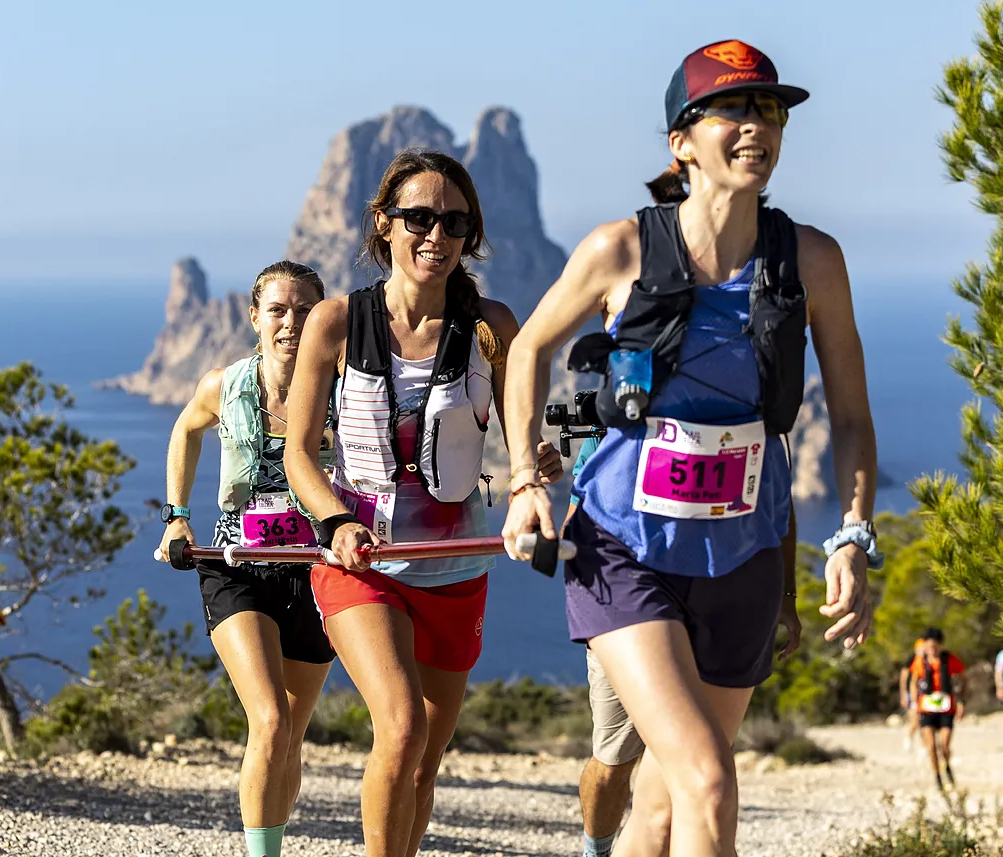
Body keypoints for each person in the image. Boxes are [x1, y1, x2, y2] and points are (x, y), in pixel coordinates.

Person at [501, 39, 881, 857]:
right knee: (710, 779)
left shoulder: (811, 260)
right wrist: (526, 480)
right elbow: (527, 350)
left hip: (742, 555)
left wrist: (850, 532)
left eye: (770, 110)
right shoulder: (621, 251)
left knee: (668, 805)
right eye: (735, 110)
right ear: (682, 141)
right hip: (623, 548)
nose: (758, 126)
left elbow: (849, 414)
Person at [283, 149, 562, 857]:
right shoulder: (336, 323)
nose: (436, 235)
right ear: (384, 225)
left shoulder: (493, 326)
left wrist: (538, 463)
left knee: (424, 759)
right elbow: (299, 454)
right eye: (419, 218)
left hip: (455, 565)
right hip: (360, 562)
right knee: (401, 726)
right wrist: (336, 520)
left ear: (470, 236)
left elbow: (527, 430)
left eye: (456, 223)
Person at [157, 261, 336, 857]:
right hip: (236, 566)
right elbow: (185, 431)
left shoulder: (344, 386)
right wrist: (174, 513)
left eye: (305, 310)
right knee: (271, 721)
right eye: (278, 310)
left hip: (318, 573)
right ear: (254, 318)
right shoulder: (223, 385)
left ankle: (273, 841)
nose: (291, 323)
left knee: (293, 732)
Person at [565, 435, 802, 857]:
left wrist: (787, 596)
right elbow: (578, 514)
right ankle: (595, 850)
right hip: (631, 604)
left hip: (724, 594)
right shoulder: (616, 424)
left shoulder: (753, 402)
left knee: (691, 793)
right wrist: (525, 478)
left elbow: (777, 503)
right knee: (616, 764)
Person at [909, 627, 965, 790]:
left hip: (946, 708)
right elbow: (913, 682)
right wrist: (914, 704)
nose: (932, 650)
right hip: (926, 709)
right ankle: (937, 775)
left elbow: (963, 678)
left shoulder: (949, 660)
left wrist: (961, 701)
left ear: (940, 646)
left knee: (945, 745)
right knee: (931, 746)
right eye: (929, 646)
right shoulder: (920, 662)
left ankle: (946, 765)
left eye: (935, 646)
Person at [898, 636, 926, 751]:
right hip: (910, 694)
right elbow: (903, 679)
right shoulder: (911, 660)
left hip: (923, 694)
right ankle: (909, 738)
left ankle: (924, 745)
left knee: (925, 721)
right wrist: (903, 695)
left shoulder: (928, 660)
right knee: (915, 720)